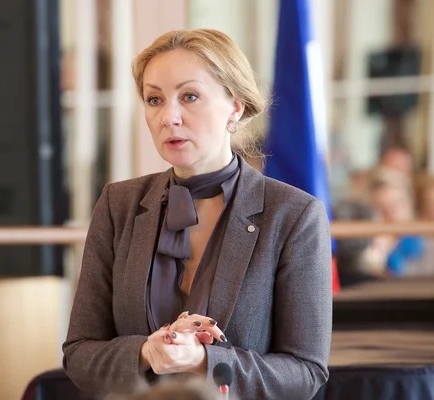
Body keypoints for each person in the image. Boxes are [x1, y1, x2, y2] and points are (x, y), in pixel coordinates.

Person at [62, 28, 332, 400]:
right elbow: (79, 355)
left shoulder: (294, 215)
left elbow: (306, 373)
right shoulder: (118, 204)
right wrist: (147, 352)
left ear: (235, 106)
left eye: (189, 96)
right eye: (154, 100)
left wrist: (204, 360)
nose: (168, 117)